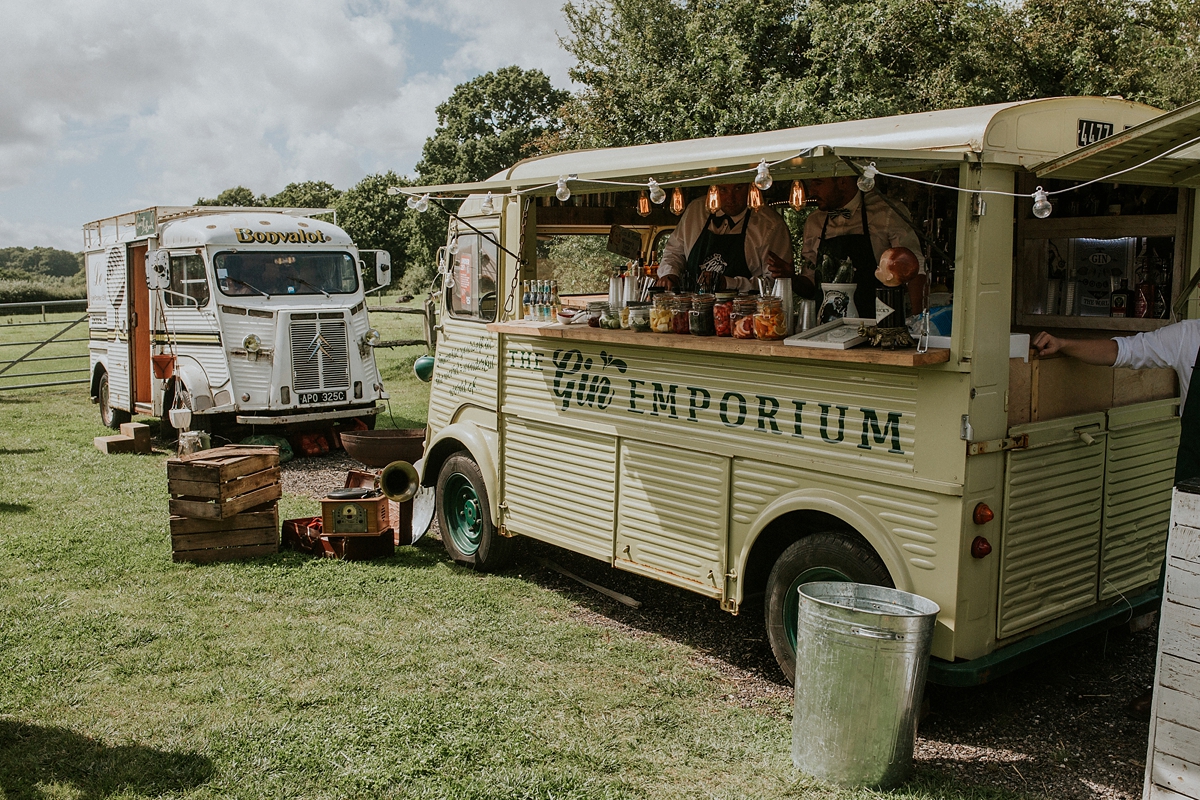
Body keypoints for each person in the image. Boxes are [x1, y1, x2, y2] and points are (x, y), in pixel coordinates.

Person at [1034, 321, 1200, 719]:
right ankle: (1168, 688)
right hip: (1195, 490)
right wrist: (1064, 344)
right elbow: (1123, 351)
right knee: (1181, 587)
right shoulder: (1190, 337)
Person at [798, 176, 927, 316]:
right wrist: (789, 278)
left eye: (818, 182)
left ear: (843, 182)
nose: (811, 190)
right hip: (826, 322)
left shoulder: (886, 212)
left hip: (876, 319)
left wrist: (917, 318)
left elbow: (915, 268)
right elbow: (811, 279)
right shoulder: (814, 221)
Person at [656, 183, 794, 293]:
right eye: (723, 189)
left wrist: (729, 283)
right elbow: (673, 252)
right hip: (694, 311)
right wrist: (669, 274)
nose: (730, 198)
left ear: (751, 186)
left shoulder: (770, 225)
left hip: (746, 318)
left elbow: (775, 284)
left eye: (738, 188)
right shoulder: (696, 211)